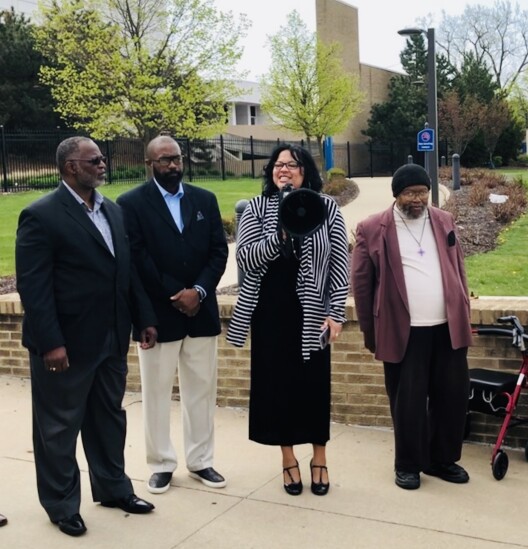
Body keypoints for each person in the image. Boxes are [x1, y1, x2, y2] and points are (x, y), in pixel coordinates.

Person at [15, 137, 158, 537]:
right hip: (66, 346)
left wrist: (143, 317)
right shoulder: (40, 216)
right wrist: (51, 343)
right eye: (94, 160)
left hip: (111, 340)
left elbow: (124, 272)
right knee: (59, 428)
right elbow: (34, 288)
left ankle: (114, 489)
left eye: (102, 158)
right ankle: (61, 506)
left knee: (109, 419)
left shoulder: (112, 210)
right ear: (70, 167)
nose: (103, 164)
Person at [226, 144, 349, 497]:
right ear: (271, 173)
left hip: (313, 312)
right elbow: (247, 259)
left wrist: (335, 312)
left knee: (314, 385)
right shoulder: (254, 209)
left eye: (292, 165)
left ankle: (320, 457)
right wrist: (278, 236)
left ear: (305, 172)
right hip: (271, 311)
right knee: (277, 387)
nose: (284, 170)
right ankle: (288, 458)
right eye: (278, 165)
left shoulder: (327, 210)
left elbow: (340, 264)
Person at [117, 136, 229, 495]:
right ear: (149, 164)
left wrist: (198, 291)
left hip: (202, 311)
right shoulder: (130, 204)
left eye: (177, 158)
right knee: (156, 393)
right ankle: (161, 463)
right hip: (156, 315)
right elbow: (137, 258)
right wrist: (174, 293)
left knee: (201, 391)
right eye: (165, 160)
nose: (174, 165)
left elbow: (218, 252)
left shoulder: (204, 199)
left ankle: (201, 461)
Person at [351, 164, 472, 491]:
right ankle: (408, 464)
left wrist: (464, 312)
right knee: (408, 402)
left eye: (423, 192)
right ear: (397, 195)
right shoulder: (373, 227)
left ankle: (442, 459)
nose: (418, 199)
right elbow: (361, 285)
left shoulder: (443, 220)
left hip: (447, 328)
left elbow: (458, 268)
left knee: (452, 398)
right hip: (404, 331)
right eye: (411, 193)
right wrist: (369, 332)